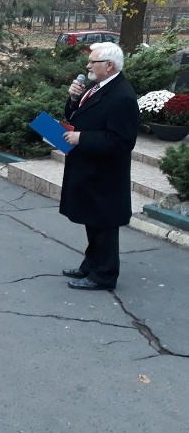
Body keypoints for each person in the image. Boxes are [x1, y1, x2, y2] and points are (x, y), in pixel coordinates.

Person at [60, 42, 139, 291]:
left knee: (104, 224)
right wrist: (73, 99)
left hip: (105, 174)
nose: (87, 66)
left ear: (109, 65)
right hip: (89, 168)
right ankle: (90, 265)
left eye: (92, 62)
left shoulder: (122, 95)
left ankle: (104, 275)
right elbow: (77, 117)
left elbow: (123, 140)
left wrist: (82, 138)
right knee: (91, 220)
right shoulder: (98, 88)